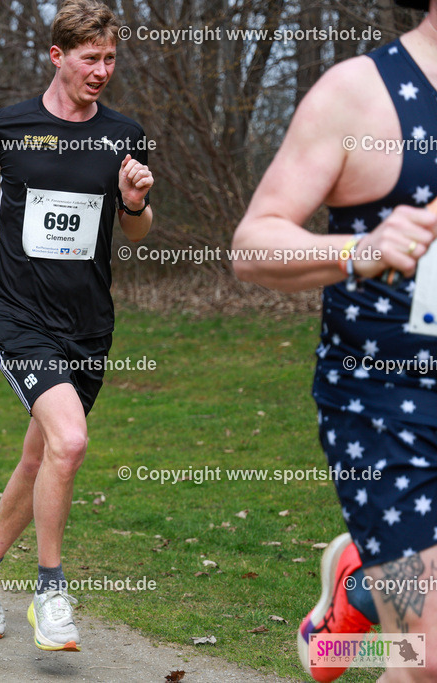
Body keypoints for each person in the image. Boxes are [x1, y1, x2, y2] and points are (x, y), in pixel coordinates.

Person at [232, 1, 437, 680]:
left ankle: (350, 606)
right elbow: (253, 243)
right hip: (389, 406)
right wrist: (363, 247)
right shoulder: (360, 93)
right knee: (427, 653)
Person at [0, 0, 153, 651]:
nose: (102, 70)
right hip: (18, 314)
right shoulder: (11, 125)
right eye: (91, 58)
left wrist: (135, 200)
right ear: (57, 55)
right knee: (70, 441)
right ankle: (51, 589)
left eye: (111, 58)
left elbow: (138, 231)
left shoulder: (124, 134)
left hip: (89, 324)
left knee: (42, 454)